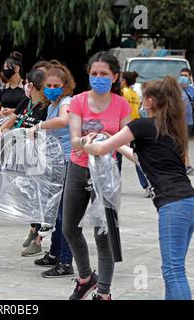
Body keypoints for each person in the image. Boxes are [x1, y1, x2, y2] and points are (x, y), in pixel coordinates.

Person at [84, 76, 194, 300]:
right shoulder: (171, 129)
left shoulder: (141, 125)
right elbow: (140, 158)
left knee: (173, 271)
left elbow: (99, 149)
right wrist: (116, 143)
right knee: (174, 269)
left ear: (148, 102)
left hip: (173, 204)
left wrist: (88, 144)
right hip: (190, 202)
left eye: (141, 98)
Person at [64, 52, 131, 300]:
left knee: (104, 235)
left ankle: (103, 292)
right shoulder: (79, 101)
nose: (98, 78)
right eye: (94, 74)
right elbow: (73, 139)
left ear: (114, 77)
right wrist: (84, 141)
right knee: (69, 228)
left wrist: (144, 160)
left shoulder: (122, 105)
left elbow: (125, 141)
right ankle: (85, 278)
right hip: (78, 169)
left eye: (104, 74)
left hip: (106, 175)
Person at [0, 68, 50, 255]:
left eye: (26, 83)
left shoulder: (46, 107)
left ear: (32, 85)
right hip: (21, 156)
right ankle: (33, 229)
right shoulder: (26, 101)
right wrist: (0, 130)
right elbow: (14, 119)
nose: (25, 86)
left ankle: (40, 240)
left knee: (41, 198)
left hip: (38, 157)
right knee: (28, 195)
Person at [27, 63, 75, 277]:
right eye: (48, 84)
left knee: (65, 214)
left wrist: (39, 127)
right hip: (55, 162)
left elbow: (64, 120)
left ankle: (66, 262)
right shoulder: (50, 106)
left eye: (56, 85)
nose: (51, 88)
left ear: (64, 86)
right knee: (54, 212)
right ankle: (55, 254)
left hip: (68, 162)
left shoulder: (66, 102)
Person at [121, 71, 152, 197]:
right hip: (136, 127)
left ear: (123, 81)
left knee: (123, 156)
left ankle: (147, 184)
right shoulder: (134, 94)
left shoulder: (123, 93)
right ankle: (148, 184)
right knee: (137, 156)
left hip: (127, 128)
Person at [179, 68, 194, 175]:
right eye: (182, 75)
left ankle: (184, 164)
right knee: (182, 143)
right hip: (178, 122)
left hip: (189, 122)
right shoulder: (175, 89)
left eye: (186, 75)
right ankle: (186, 165)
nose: (183, 77)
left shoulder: (192, 90)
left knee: (184, 143)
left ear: (190, 77)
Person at [0, 52, 25, 119]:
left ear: (16, 69)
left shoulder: (26, 87)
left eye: (6, 67)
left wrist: (13, 111)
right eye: (3, 68)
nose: (4, 70)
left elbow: (31, 110)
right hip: (4, 124)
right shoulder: (3, 89)